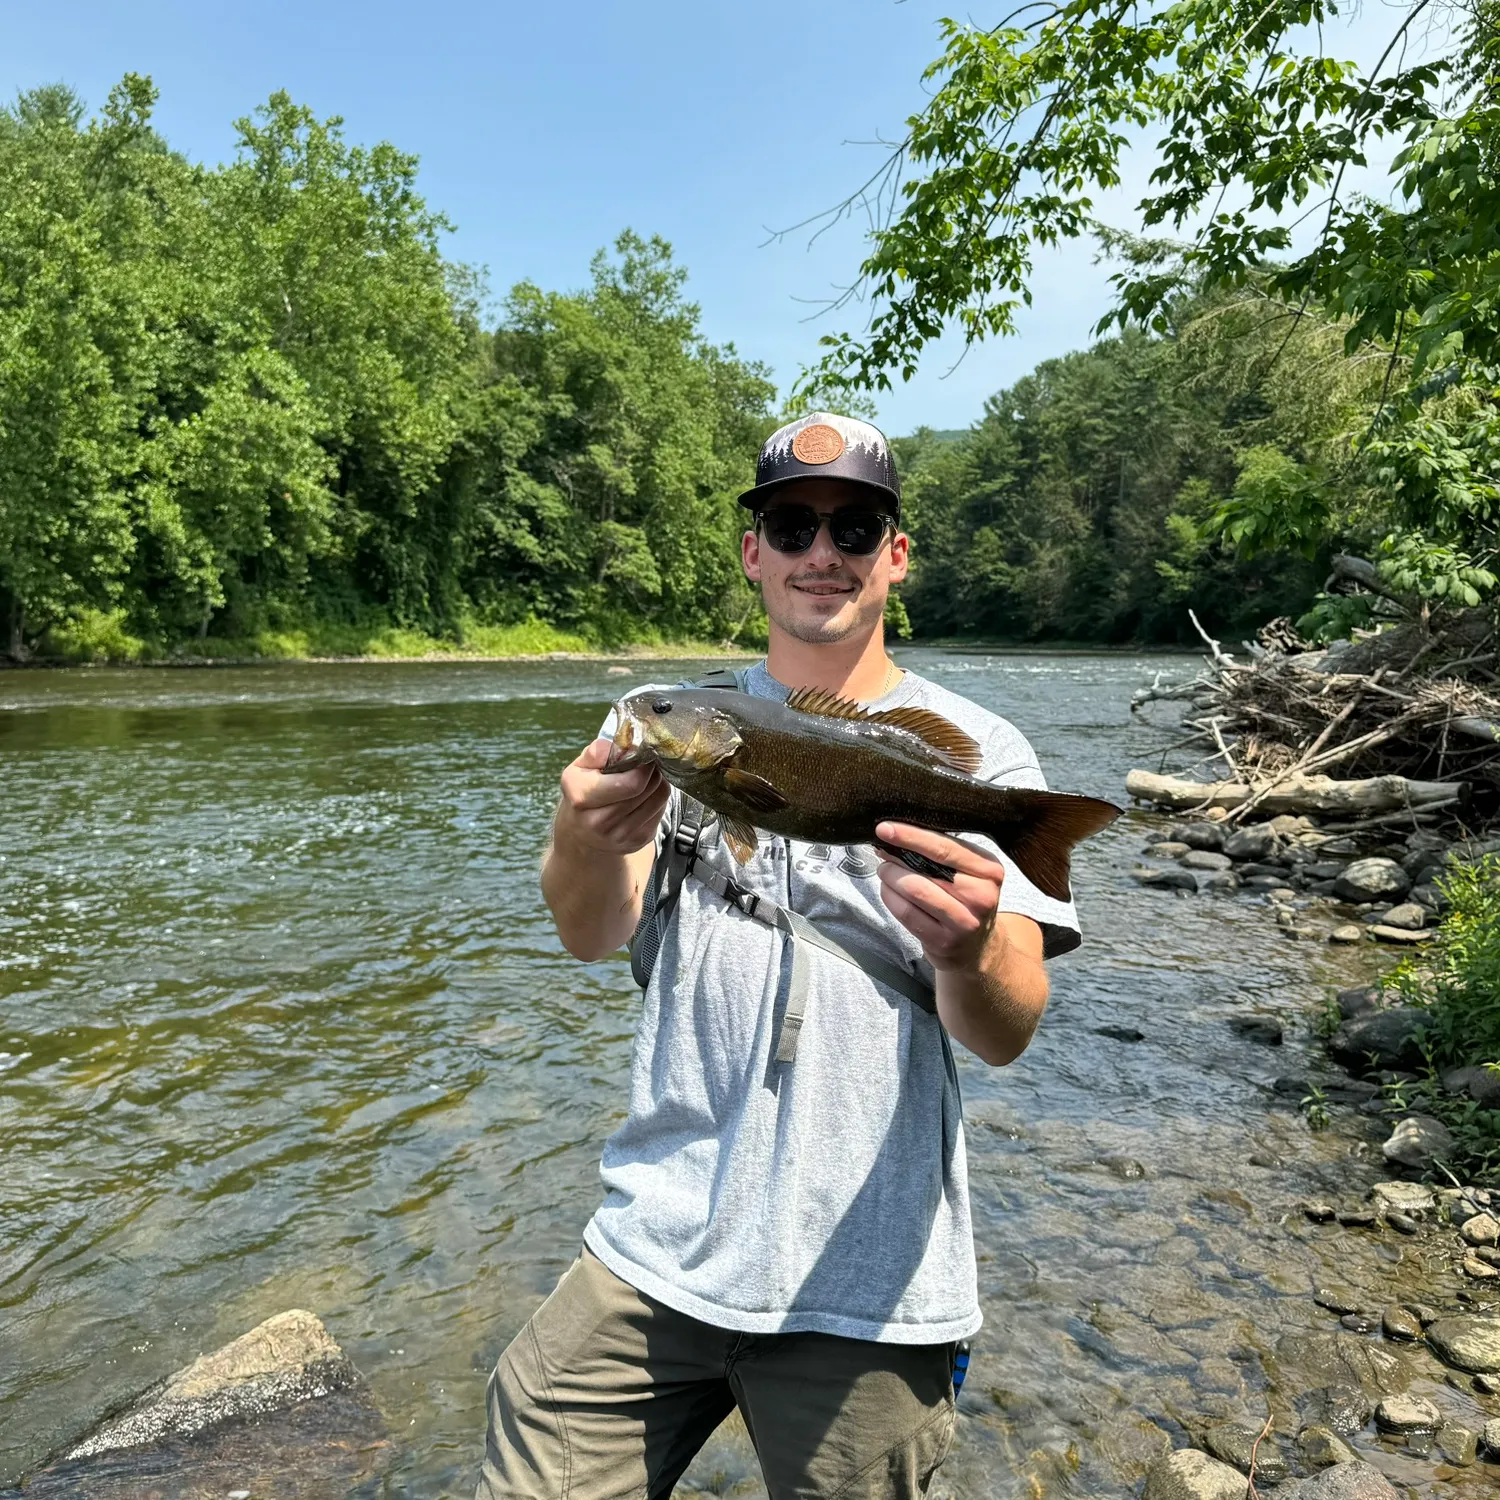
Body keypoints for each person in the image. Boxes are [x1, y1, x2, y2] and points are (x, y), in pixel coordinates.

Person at [476, 412, 1082, 1500]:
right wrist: (579, 835)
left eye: (854, 528)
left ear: (895, 555)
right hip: (655, 1248)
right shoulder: (680, 732)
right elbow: (589, 931)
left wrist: (973, 947)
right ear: (753, 552)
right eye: (792, 526)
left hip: (872, 1280)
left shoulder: (982, 752)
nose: (822, 554)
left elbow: (1008, 1028)